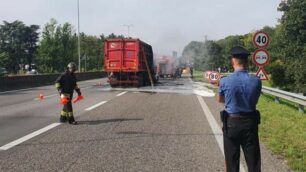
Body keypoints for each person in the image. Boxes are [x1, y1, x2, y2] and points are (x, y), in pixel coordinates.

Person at [218, 46, 262, 172]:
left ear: (233, 61)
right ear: (247, 62)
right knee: (254, 161)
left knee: (232, 161)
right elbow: (255, 100)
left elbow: (220, 100)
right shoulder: (256, 81)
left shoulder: (225, 81)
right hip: (250, 123)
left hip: (232, 123)